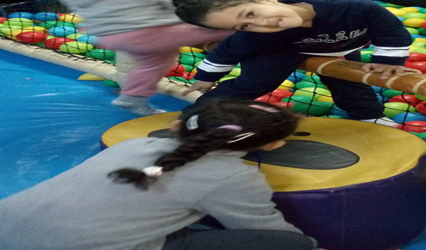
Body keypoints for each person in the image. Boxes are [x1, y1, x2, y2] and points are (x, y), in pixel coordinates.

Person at [0, 99, 318, 250]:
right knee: (292, 245)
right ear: (273, 145)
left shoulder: (134, 145)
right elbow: (264, 228)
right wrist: (310, 243)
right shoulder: (232, 177)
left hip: (8, 227)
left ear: (177, 125)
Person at [41, 0, 233, 116]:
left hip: (109, 37)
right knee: (226, 28)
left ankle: (131, 99)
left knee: (154, 63)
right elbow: (184, 4)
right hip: (146, 34)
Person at [172, 0, 420, 125]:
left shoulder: (353, 9)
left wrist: (389, 62)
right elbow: (228, 51)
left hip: (339, 48)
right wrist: (205, 77)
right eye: (245, 26)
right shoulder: (259, 35)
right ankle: (199, 113)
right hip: (281, 50)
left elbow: (391, 30)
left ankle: (367, 114)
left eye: (251, 13)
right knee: (253, 83)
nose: (262, 24)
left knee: (350, 82)